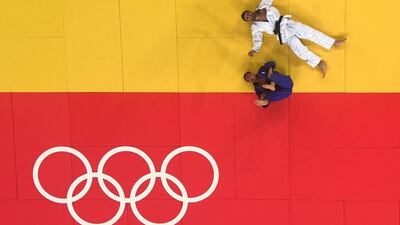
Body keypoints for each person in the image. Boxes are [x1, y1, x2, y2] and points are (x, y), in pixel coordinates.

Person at [241, 0, 346, 77]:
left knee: (310, 32)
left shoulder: (262, 5)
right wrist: (255, 49)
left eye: (247, 14)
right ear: (248, 20)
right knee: (300, 51)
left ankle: (333, 42)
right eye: (247, 18)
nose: (248, 16)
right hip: (282, 34)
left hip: (287, 23)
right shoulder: (255, 27)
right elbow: (257, 39)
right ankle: (319, 63)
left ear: (250, 11)